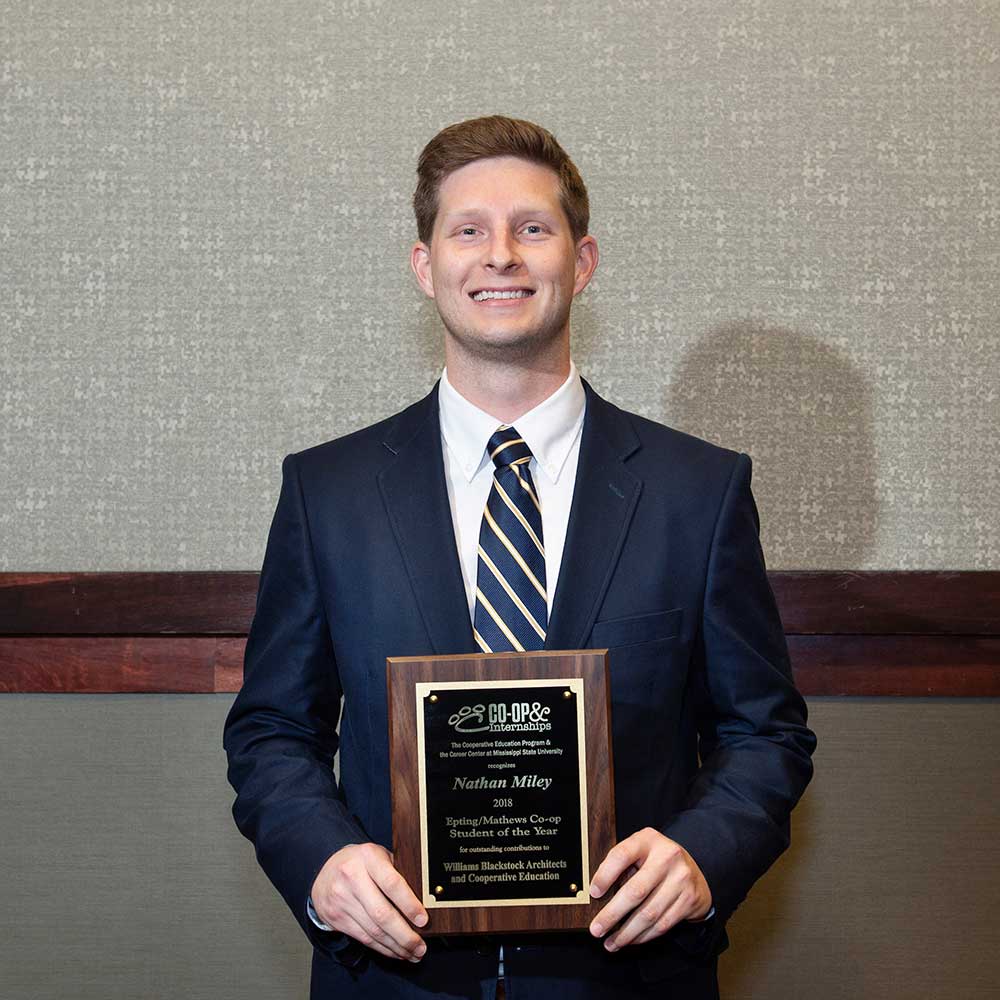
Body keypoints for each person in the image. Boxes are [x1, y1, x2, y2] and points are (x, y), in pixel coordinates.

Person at [224, 115, 816, 1000]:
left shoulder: (700, 491)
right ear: (426, 268)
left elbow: (765, 733)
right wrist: (324, 862)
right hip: (396, 978)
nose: (500, 255)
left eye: (531, 228)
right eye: (468, 230)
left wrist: (703, 855)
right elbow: (272, 729)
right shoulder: (328, 492)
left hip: (628, 978)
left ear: (581, 261)